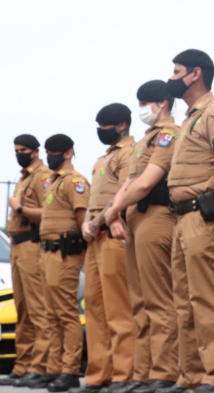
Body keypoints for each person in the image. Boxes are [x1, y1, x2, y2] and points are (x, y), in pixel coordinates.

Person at [95, 81, 180, 393]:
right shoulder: (145, 140)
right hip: (135, 219)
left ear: (162, 103)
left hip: (157, 216)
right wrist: (113, 212)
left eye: (146, 103)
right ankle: (142, 374)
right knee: (140, 303)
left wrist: (112, 212)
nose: (142, 109)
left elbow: (145, 183)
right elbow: (127, 183)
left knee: (159, 301)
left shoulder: (169, 134)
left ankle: (165, 372)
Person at [165, 49, 214, 393]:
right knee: (184, 301)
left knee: (208, 298)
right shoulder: (189, 119)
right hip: (181, 218)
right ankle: (191, 374)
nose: (171, 78)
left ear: (196, 74)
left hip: (203, 217)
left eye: (177, 72)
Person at [76, 104, 137, 393]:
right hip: (95, 238)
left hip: (114, 235)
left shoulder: (129, 152)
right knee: (95, 310)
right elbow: (93, 200)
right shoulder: (103, 159)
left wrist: (103, 220)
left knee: (118, 310)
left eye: (105, 126)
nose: (101, 131)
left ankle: (124, 375)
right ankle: (98, 375)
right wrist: (86, 224)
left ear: (122, 125)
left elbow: (126, 190)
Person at [0, 134, 53, 387]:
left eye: (24, 150)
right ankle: (22, 366)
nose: (19, 154)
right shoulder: (24, 177)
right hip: (18, 245)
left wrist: (19, 208)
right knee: (23, 310)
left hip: (33, 243)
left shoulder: (42, 176)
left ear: (36, 151)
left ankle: (39, 367)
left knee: (37, 309)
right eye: (17, 150)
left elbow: (49, 212)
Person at [40, 133, 90, 392]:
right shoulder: (53, 181)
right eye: (47, 152)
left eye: (54, 152)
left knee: (65, 311)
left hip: (66, 253)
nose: (50, 156)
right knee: (51, 313)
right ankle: (54, 367)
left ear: (68, 153)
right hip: (48, 252)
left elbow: (83, 220)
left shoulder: (74, 181)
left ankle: (69, 370)